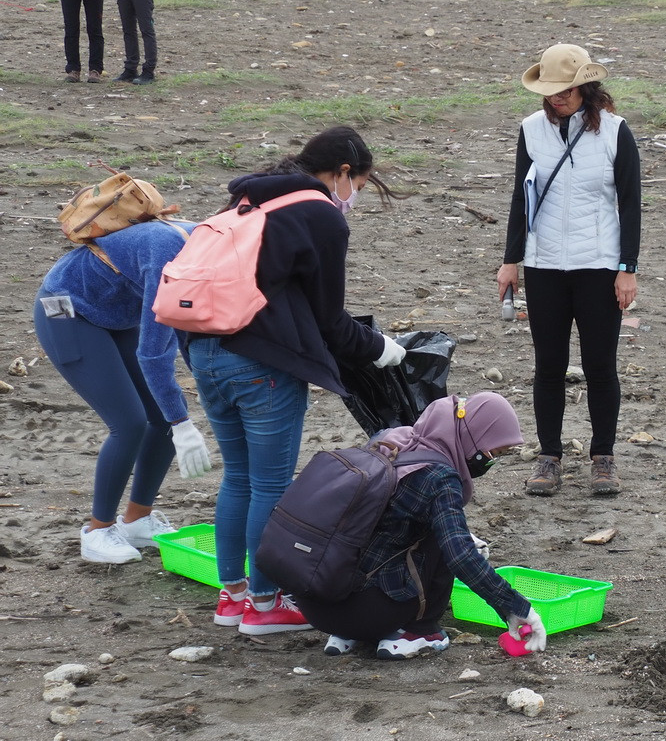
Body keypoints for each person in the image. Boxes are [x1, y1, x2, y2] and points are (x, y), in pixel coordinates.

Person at [191, 126, 408, 636]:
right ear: (344, 174)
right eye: (357, 184)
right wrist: (380, 348)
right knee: (269, 483)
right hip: (260, 364)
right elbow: (330, 321)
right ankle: (266, 606)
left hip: (205, 353)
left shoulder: (247, 200)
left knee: (238, 478)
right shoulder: (319, 214)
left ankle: (234, 597)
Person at [295, 392, 547, 659]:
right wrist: (517, 608)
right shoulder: (439, 477)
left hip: (318, 603)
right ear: (475, 435)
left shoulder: (390, 442)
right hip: (369, 613)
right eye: (492, 452)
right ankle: (419, 631)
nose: (490, 461)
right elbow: (460, 557)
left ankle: (347, 635)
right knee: (447, 538)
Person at [496, 43, 642, 497]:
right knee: (548, 366)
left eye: (565, 90)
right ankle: (549, 457)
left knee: (601, 365)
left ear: (585, 86)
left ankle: (604, 457)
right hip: (544, 265)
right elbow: (522, 197)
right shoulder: (531, 130)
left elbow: (630, 203)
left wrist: (627, 268)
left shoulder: (616, 132)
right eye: (550, 91)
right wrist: (511, 260)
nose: (556, 98)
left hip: (599, 265)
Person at [35, 218, 212, 565]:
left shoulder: (208, 248)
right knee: (129, 423)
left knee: (159, 418)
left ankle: (137, 521)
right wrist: (183, 422)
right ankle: (97, 531)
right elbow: (154, 352)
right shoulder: (169, 253)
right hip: (63, 308)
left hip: (114, 314)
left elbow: (186, 329)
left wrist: (204, 395)